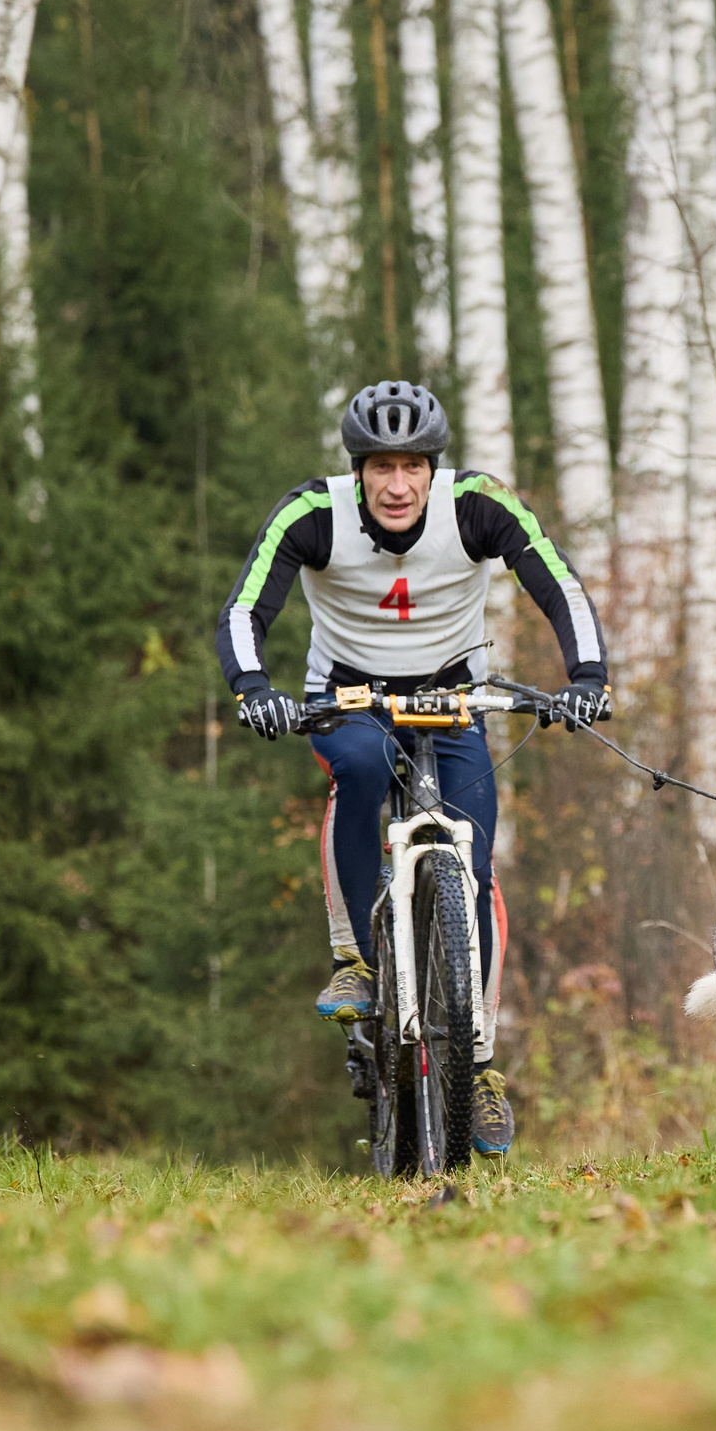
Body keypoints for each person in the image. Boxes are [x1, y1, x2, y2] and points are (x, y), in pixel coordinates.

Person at [215, 382, 609, 1157]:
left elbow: (557, 584)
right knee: (359, 767)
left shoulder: (478, 506)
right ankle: (353, 958)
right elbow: (244, 608)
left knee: (475, 859)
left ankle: (481, 1061)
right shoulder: (313, 514)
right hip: (349, 699)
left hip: (451, 698)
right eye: (381, 467)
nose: (398, 485)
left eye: (414, 467)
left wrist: (587, 676)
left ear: (435, 468)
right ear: (358, 470)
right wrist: (253, 687)